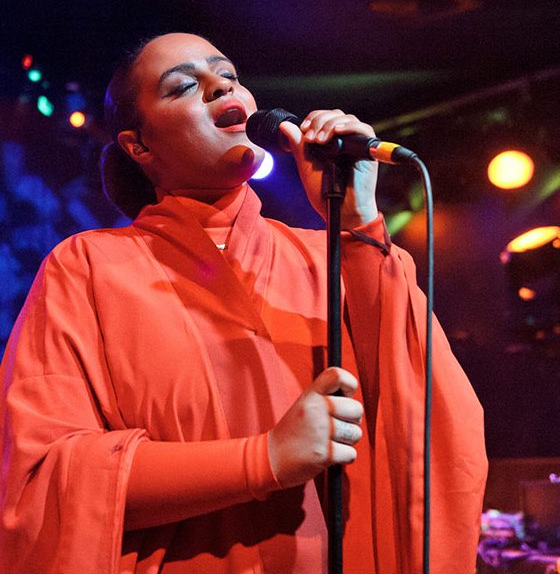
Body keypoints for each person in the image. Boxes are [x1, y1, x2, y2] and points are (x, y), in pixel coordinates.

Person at [0, 33, 487, 573]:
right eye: (184, 86)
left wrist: (355, 225)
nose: (219, 86)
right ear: (139, 146)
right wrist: (264, 459)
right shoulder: (88, 267)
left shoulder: (330, 256)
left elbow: (422, 418)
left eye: (227, 75)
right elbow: (46, 479)